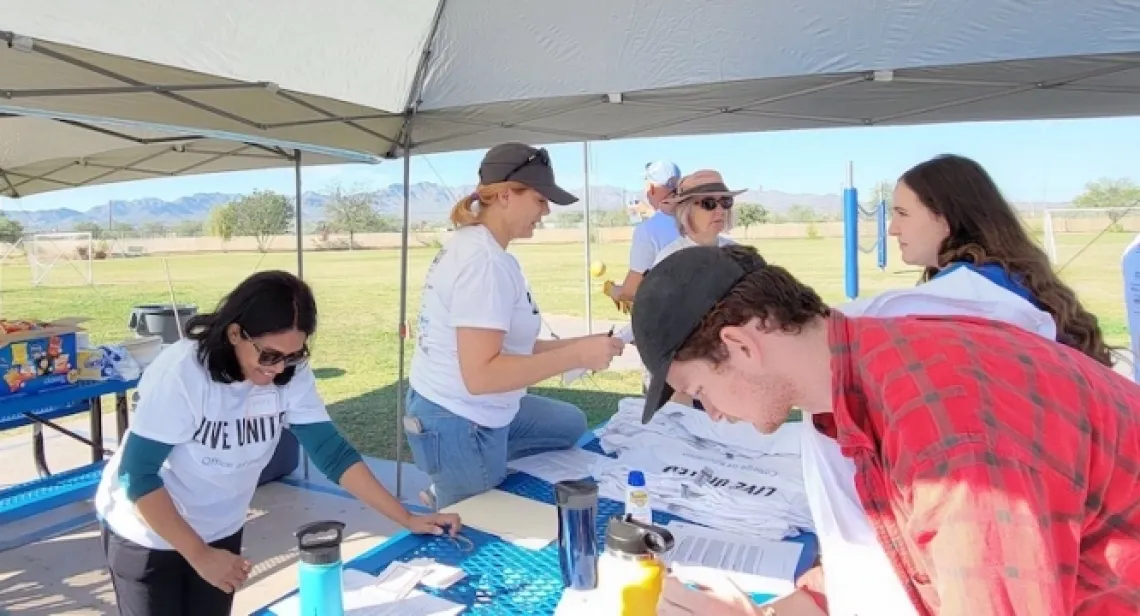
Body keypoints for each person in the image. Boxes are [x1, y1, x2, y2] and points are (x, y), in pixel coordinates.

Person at [634, 245, 1140, 616]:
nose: (714, 415)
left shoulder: (944, 435)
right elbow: (907, 559)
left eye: (699, 392)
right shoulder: (866, 369)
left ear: (741, 346)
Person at [94, 271, 460, 616]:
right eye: (269, 355)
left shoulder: (288, 373)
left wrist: (407, 517)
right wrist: (199, 554)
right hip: (150, 533)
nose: (278, 369)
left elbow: (333, 455)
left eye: (293, 355)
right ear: (236, 333)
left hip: (219, 528)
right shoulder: (183, 372)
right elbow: (137, 476)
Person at [407, 142, 625, 510]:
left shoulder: (484, 250)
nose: (546, 211)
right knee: (481, 525)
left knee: (569, 423)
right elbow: (482, 377)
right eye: (540, 200)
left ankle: (463, 476)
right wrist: (575, 354)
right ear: (507, 195)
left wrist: (580, 346)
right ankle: (453, 489)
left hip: (467, 407)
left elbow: (511, 349)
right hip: (460, 418)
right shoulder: (484, 263)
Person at [889, 153, 1113, 366]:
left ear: (946, 217)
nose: (893, 229)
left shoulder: (969, 290)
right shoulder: (1009, 277)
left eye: (903, 214)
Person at [605, 160, 682, 311]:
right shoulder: (697, 219)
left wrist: (613, 290)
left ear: (651, 188)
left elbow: (631, 291)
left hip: (667, 318)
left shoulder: (648, 229)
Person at [652, 169, 742, 267]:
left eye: (725, 201)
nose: (720, 210)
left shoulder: (738, 255)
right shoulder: (669, 259)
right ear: (687, 211)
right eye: (709, 203)